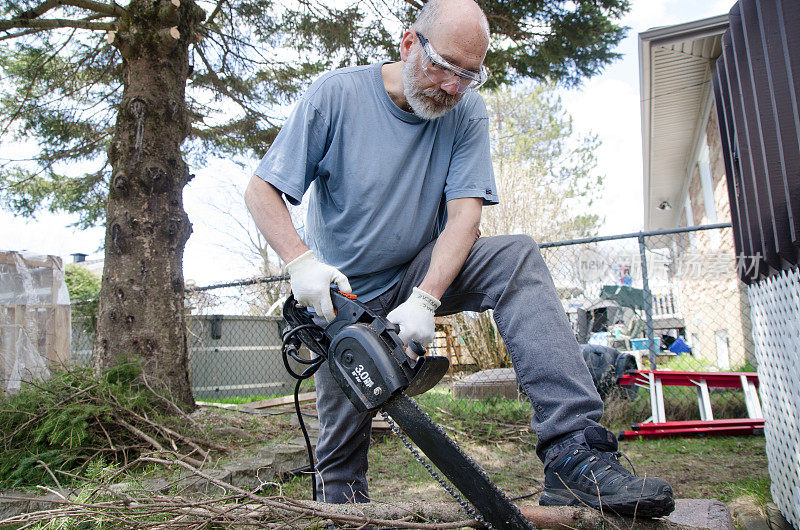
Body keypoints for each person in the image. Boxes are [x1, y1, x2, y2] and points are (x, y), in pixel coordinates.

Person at [244, 0, 675, 517]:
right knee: (340, 455)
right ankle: (345, 515)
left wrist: (426, 297)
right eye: (445, 68)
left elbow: (465, 217)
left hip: (418, 273)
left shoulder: (466, 110)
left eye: (468, 75)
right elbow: (261, 190)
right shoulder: (336, 96)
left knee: (516, 257)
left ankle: (573, 453)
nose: (452, 87)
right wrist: (300, 264)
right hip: (342, 297)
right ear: (409, 43)